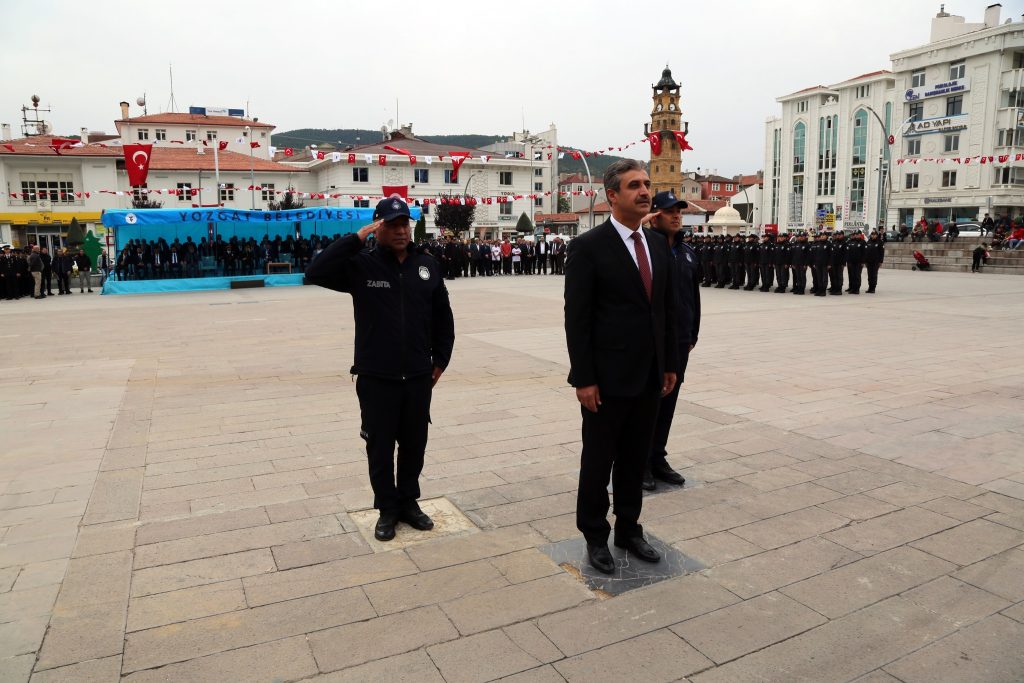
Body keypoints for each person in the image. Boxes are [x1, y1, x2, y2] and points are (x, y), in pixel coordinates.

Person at [304, 195, 455, 542]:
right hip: (376, 377)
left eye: (405, 224)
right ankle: (387, 508)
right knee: (380, 447)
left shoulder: (427, 265)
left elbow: (443, 316)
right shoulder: (361, 266)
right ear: (378, 228)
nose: (401, 231)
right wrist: (356, 238)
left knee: (414, 444)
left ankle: (408, 502)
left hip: (417, 377)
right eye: (392, 225)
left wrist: (441, 360)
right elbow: (316, 271)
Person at [564, 159, 677, 574]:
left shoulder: (657, 244)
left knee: (634, 460)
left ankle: (629, 528)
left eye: (646, 183)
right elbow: (577, 319)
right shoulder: (588, 247)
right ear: (612, 195)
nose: (645, 191)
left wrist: (669, 364)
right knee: (598, 462)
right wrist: (584, 378)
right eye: (634, 185)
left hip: (649, 376)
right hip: (607, 380)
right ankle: (595, 534)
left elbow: (664, 311)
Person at [644, 191, 698, 492]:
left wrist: (693, 333)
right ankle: (639, 462)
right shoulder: (645, 251)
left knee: (669, 401)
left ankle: (657, 457)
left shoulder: (686, 251)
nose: (676, 216)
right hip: (653, 341)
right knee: (648, 403)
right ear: (654, 216)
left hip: (679, 341)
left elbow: (693, 296)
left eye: (679, 211)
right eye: (668, 211)